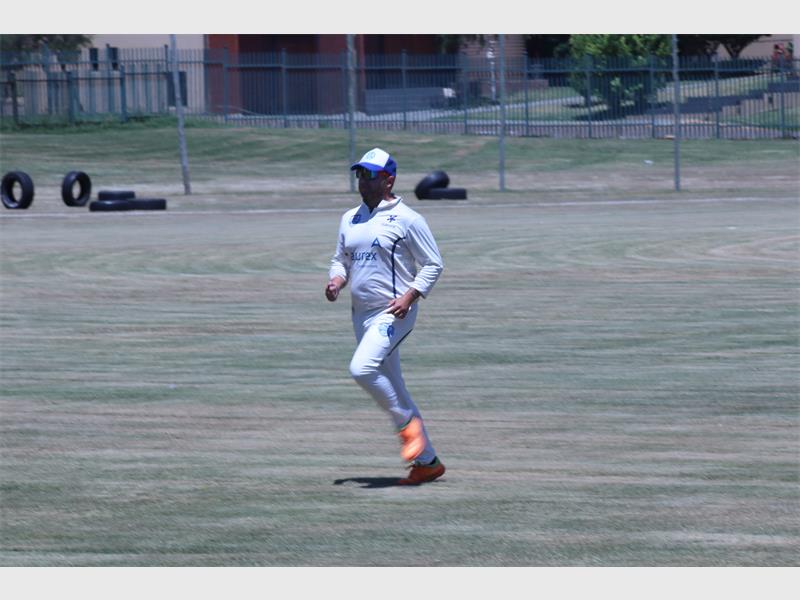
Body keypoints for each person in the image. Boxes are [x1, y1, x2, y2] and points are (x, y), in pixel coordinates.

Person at [325, 147, 446, 485]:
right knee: (394, 384)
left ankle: (406, 427)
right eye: (359, 174)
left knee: (361, 368)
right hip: (360, 315)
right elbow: (341, 259)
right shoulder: (350, 218)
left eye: (369, 175)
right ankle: (428, 463)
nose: (362, 181)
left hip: (394, 312)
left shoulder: (408, 219)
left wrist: (410, 296)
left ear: (388, 180)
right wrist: (336, 279)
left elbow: (434, 263)